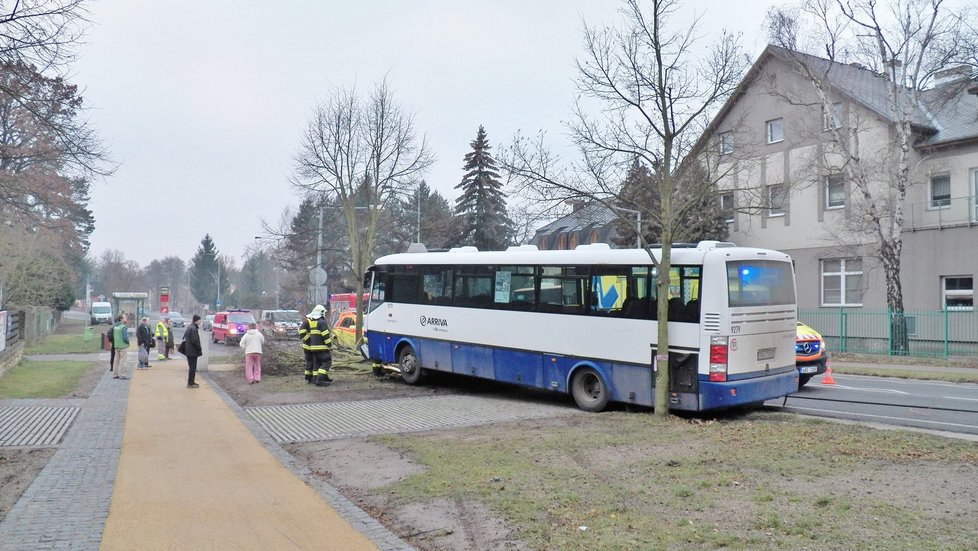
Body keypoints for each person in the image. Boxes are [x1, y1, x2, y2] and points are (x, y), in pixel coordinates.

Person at [307, 304, 334, 387]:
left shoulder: (313, 322)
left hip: (314, 348)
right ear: (321, 313)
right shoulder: (322, 322)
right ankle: (320, 379)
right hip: (322, 348)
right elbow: (325, 335)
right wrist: (330, 345)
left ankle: (315, 379)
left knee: (317, 364)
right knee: (327, 362)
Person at [181, 314, 203, 388]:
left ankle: (191, 382)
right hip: (192, 351)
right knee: (192, 368)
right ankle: (191, 383)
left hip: (189, 351)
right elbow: (195, 341)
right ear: (196, 320)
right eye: (200, 320)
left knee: (191, 367)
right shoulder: (193, 329)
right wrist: (199, 348)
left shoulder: (190, 327)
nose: (201, 322)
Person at [111, 315, 130, 380]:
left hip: (116, 346)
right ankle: (122, 375)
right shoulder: (123, 327)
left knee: (116, 360)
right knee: (122, 360)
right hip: (123, 346)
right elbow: (125, 337)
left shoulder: (115, 327)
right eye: (125, 318)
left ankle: (115, 374)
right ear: (121, 319)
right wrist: (128, 342)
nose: (126, 318)